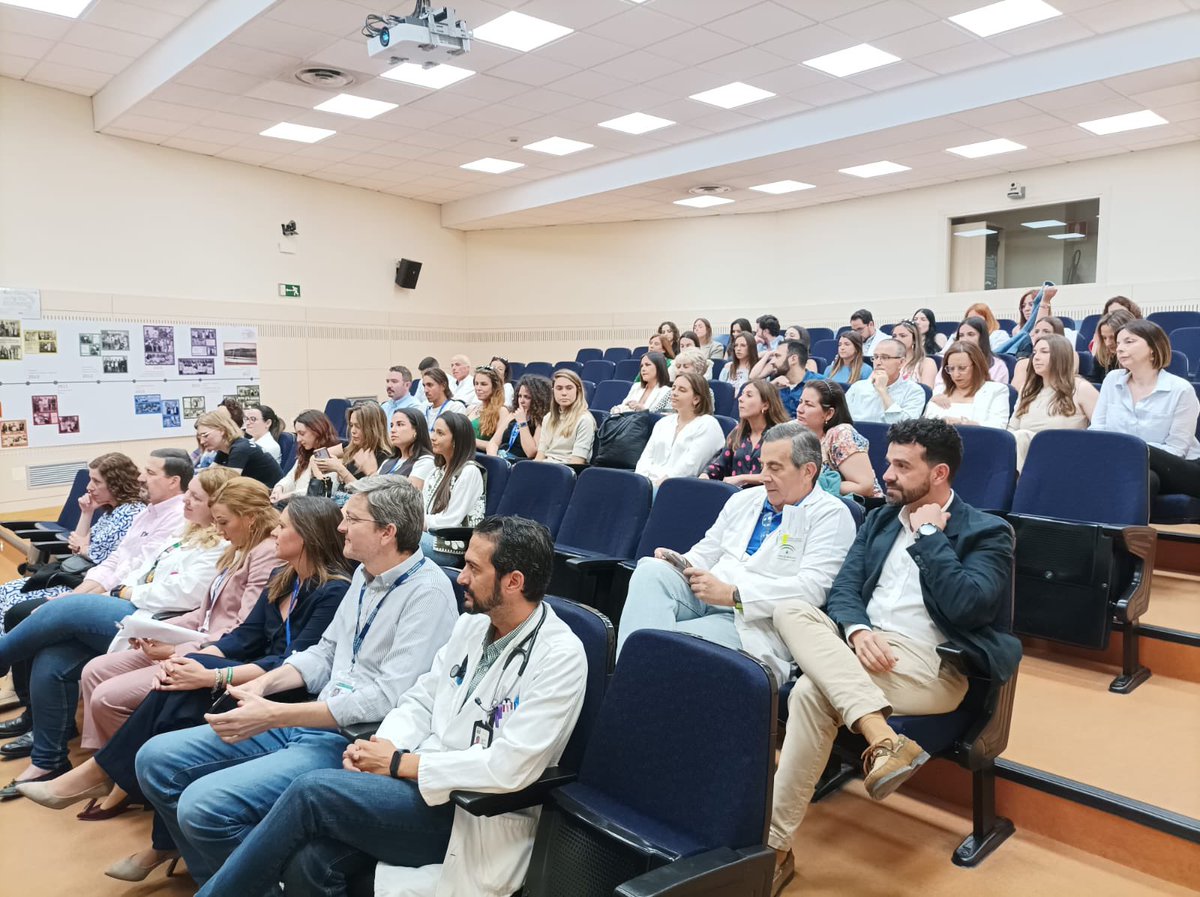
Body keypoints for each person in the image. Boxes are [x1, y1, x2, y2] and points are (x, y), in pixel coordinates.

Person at [187, 517, 587, 897]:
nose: (460, 577)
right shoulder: (473, 625)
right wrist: (378, 746)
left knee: (312, 791)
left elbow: (511, 766)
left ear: (513, 582)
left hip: (473, 815)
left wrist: (398, 764)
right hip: (419, 787)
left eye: (473, 568)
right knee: (310, 862)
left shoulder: (560, 656)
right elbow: (421, 697)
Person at [135, 476, 458, 887]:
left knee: (203, 806)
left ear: (387, 532)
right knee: (154, 760)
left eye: (351, 519)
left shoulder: (427, 594)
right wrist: (262, 687)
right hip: (309, 719)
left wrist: (276, 715)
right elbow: (324, 652)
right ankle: (236, 881)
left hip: (351, 740)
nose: (340, 528)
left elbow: (386, 698)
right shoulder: (364, 575)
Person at [18, 497, 353, 883]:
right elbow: (243, 637)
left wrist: (211, 673)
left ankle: (101, 777)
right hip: (250, 676)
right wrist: (195, 660)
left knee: (186, 685)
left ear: (308, 536)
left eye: (282, 527)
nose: (274, 531)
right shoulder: (286, 576)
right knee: (175, 700)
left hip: (288, 691)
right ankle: (161, 841)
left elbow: (296, 665)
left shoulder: (333, 592)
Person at [767, 419, 1020, 893]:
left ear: (939, 473)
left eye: (903, 466)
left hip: (934, 665)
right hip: (864, 655)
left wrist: (930, 539)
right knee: (790, 610)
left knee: (807, 692)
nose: (887, 474)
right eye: (889, 462)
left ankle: (774, 849)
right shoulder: (882, 519)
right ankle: (881, 736)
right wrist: (859, 630)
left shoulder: (988, 532)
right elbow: (843, 590)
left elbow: (969, 606)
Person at [0, 465, 229, 793]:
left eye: (195, 496)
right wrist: (126, 588)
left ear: (217, 505)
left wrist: (128, 591)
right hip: (134, 606)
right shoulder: (188, 532)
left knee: (63, 608)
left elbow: (182, 593)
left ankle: (2, 654)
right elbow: (140, 567)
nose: (186, 501)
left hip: (156, 620)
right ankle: (47, 761)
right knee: (53, 657)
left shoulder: (220, 545)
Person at [618, 423, 856, 686]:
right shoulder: (744, 499)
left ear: (808, 471)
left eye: (775, 468)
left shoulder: (832, 515)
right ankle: (632, 684)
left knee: (659, 642)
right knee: (651, 569)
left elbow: (813, 590)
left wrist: (734, 594)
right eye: (763, 465)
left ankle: (628, 686)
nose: (764, 476)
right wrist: (679, 561)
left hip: (753, 620)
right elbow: (705, 553)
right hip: (707, 594)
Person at [75, 478, 281, 763]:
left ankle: (124, 774)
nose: (219, 531)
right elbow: (206, 611)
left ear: (251, 519)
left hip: (216, 651)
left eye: (223, 522)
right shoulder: (240, 546)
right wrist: (163, 631)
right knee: (94, 670)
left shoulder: (264, 553)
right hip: (197, 637)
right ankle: (107, 761)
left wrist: (174, 648)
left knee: (108, 696)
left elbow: (243, 630)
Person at [0, 452, 145, 628]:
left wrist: (85, 548)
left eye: (97, 482)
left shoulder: (130, 513)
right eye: (91, 480)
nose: (89, 487)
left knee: (11, 601)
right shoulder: (112, 511)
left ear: (117, 485)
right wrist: (86, 512)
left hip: (89, 585)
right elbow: (76, 546)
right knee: (4, 592)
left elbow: (100, 557)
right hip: (80, 576)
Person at [1091, 319, 1200, 500]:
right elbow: (1098, 429)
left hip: (1180, 468)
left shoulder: (1181, 389)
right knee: (1147, 478)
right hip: (1128, 466)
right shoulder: (1112, 379)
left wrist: (1127, 451)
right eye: (1118, 343)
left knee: (1138, 455)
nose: (1119, 348)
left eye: (1129, 341)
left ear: (1153, 347)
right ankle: (1114, 528)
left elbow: (1177, 449)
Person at [1009, 334, 1098, 470]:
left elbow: (1101, 432)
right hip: (1025, 459)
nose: (1036, 357)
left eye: (1044, 352)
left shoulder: (1081, 388)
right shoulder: (1027, 390)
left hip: (1065, 459)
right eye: (1034, 352)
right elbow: (1011, 431)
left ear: (1060, 356)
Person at [795, 380, 883, 500]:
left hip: (859, 509)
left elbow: (865, 487)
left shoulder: (841, 434)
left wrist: (815, 486)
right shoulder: (795, 431)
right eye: (800, 402)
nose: (800, 409)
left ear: (829, 413)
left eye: (809, 405)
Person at [635, 372, 726, 487]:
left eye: (682, 390)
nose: (674, 393)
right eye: (673, 388)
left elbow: (691, 466)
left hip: (677, 488)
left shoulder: (708, 424)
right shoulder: (663, 422)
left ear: (696, 399)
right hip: (647, 484)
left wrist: (659, 485)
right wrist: (640, 482)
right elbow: (646, 457)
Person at [421, 413, 486, 567]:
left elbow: (452, 521)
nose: (432, 437)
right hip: (428, 535)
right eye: (433, 431)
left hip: (451, 547)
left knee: (396, 538)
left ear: (456, 440)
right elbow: (422, 510)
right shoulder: (435, 471)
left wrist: (416, 523)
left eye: (440, 433)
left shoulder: (470, 471)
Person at [703, 379, 789, 487]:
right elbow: (720, 464)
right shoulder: (737, 432)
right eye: (742, 394)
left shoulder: (781, 435)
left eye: (749, 395)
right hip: (736, 498)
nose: (740, 399)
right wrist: (706, 475)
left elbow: (776, 474)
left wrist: (742, 478)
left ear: (765, 405)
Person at [923, 342, 1010, 429]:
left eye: (962, 368)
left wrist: (964, 424)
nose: (956, 374)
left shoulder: (997, 390)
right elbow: (925, 426)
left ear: (977, 366)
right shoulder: (940, 390)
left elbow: (999, 428)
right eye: (951, 368)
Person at [196, 409, 284, 489]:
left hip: (271, 498)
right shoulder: (226, 449)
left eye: (205, 435)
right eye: (200, 437)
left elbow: (229, 485)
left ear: (222, 430)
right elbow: (208, 473)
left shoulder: (240, 449)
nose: (202, 442)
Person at [844, 339, 926, 424]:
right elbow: (842, 419)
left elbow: (905, 427)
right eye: (875, 357)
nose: (878, 362)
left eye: (885, 357)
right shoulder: (858, 387)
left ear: (901, 362)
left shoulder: (914, 391)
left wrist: (883, 391)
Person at [316, 402, 394, 490]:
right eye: (351, 425)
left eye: (358, 426)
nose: (353, 431)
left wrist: (340, 469)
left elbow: (366, 493)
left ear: (373, 428)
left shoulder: (385, 457)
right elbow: (317, 456)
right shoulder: (352, 447)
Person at [270, 410, 342, 504]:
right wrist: (279, 488)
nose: (298, 439)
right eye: (297, 434)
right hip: (296, 506)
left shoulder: (332, 457)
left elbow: (321, 491)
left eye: (302, 434)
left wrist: (286, 496)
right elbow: (290, 478)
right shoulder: (305, 454)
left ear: (318, 431)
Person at [537, 370, 596, 466]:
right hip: (545, 466)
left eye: (569, 388)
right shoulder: (548, 418)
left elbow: (577, 463)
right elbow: (540, 456)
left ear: (578, 390)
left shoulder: (584, 419)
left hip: (564, 471)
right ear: (553, 391)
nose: (564, 393)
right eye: (559, 388)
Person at [487, 374, 551, 462]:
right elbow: (493, 443)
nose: (521, 401)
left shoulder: (541, 420)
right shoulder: (512, 415)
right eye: (520, 396)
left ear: (538, 399)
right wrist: (494, 459)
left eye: (527, 397)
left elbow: (531, 452)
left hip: (519, 463)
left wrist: (522, 422)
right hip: (500, 459)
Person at [755, 339, 824, 416]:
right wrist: (770, 387)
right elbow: (755, 411)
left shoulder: (821, 384)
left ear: (793, 359)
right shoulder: (775, 385)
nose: (772, 362)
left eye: (777, 356)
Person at [379, 407, 436, 490]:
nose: (393, 430)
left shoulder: (426, 462)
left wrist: (371, 472)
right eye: (391, 425)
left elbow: (408, 497)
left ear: (416, 430)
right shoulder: (388, 461)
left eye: (400, 424)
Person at [952, 316, 1009, 384]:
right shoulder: (950, 362)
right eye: (961, 335)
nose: (965, 339)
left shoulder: (998, 366)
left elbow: (997, 392)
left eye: (971, 334)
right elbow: (940, 389)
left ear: (982, 338)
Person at [1011, 316, 1066, 386]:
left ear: (1058, 334)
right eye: (1036, 331)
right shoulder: (1023, 364)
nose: (1039, 335)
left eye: (1046, 331)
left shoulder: (1070, 356)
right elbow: (1017, 392)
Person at [1087, 308, 1135, 385]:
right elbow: (1093, 381)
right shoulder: (1101, 355)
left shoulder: (1140, 358)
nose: (1107, 343)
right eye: (1104, 338)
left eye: (1112, 337)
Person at [468, 366, 506, 451]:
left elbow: (496, 445)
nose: (478, 388)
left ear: (495, 387)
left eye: (483, 384)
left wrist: (467, 440)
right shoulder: (471, 409)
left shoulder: (502, 411)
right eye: (476, 383)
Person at [892, 320, 938, 388]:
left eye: (902, 336)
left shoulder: (926, 363)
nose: (897, 339)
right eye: (894, 336)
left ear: (914, 339)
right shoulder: (889, 362)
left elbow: (927, 392)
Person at [419, 367, 467, 433]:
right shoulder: (423, 407)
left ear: (443, 386)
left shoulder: (455, 408)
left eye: (430, 385)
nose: (425, 390)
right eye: (424, 385)